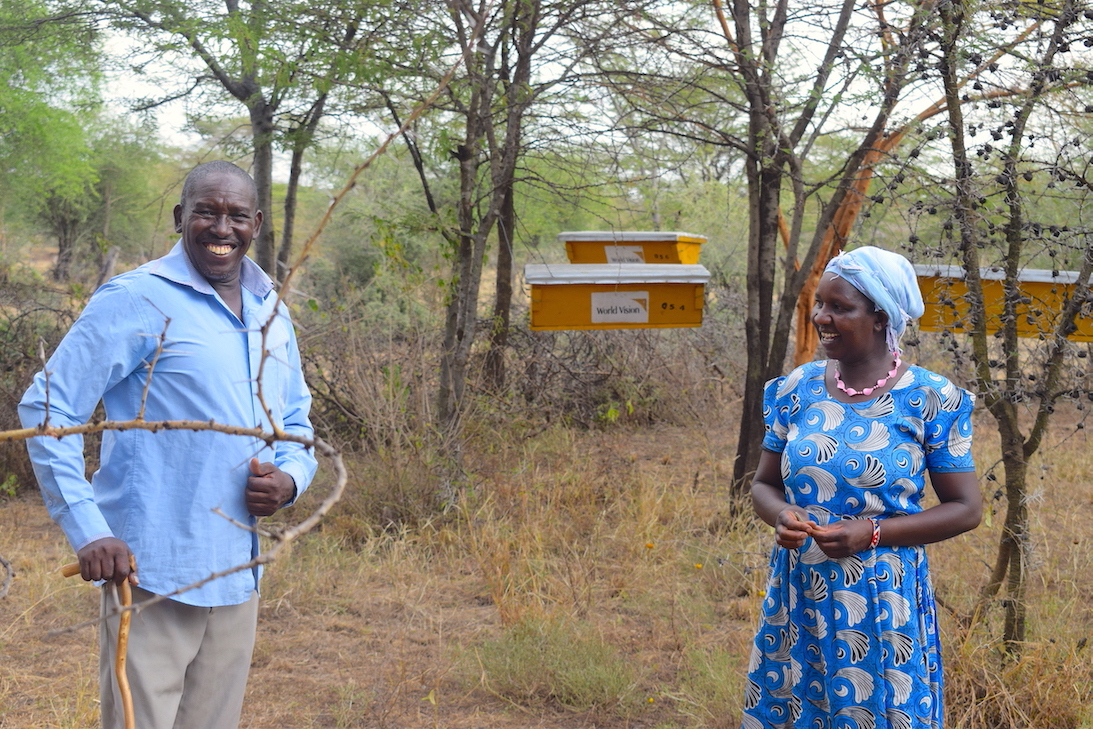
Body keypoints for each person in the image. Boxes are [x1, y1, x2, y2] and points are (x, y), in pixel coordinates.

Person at [19, 161, 318, 729]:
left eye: (235, 215)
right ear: (182, 217)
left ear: (256, 223)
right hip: (149, 572)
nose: (220, 228)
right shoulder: (136, 298)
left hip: (237, 571)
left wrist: (291, 479)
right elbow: (48, 408)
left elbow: (297, 416)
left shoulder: (270, 309)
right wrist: (90, 528)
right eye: (206, 211)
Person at [741, 246, 981, 729]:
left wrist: (871, 532)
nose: (822, 318)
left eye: (840, 307)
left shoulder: (931, 398)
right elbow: (763, 485)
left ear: (880, 316)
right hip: (799, 590)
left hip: (881, 594)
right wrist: (781, 516)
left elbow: (966, 508)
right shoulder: (796, 389)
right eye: (822, 305)